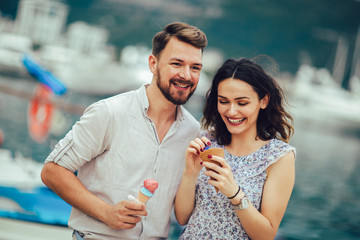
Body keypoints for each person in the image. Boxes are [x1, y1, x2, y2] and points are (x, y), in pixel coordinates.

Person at [41, 22, 207, 240]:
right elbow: (52, 170)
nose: (186, 75)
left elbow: (182, 213)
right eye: (177, 64)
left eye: (195, 67)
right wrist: (106, 212)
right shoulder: (109, 112)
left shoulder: (194, 133)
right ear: (153, 64)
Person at [174, 57, 296, 239]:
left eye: (242, 103)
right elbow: (182, 218)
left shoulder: (279, 157)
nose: (231, 111)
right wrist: (190, 173)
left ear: (263, 101)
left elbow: (266, 235)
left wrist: (234, 193)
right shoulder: (207, 141)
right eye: (223, 101)